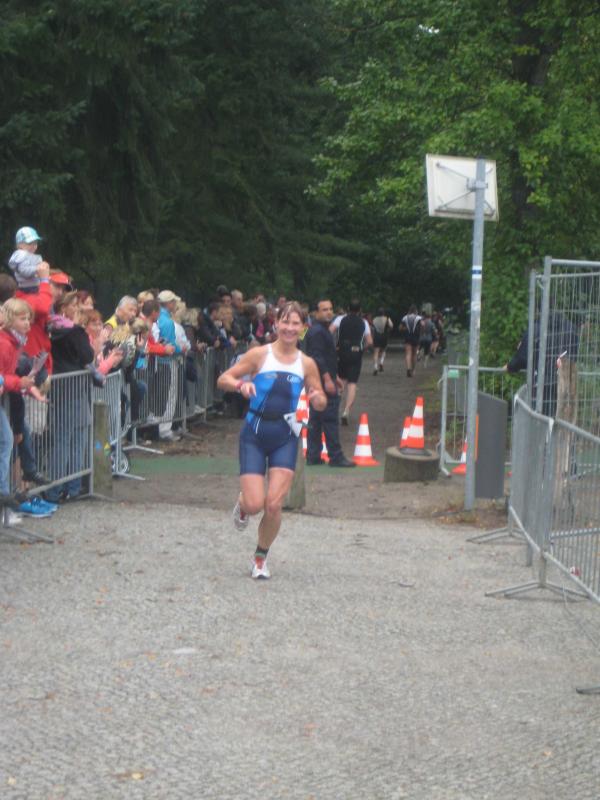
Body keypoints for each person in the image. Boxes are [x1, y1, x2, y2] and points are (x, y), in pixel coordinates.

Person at [217, 301, 326, 579]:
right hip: (254, 433)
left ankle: (260, 559)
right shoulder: (259, 355)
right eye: (285, 322)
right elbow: (223, 379)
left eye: (295, 323)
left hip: (285, 436)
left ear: (303, 328)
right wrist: (241, 385)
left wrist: (317, 399)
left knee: (274, 504)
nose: (289, 328)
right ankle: (243, 505)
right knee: (255, 504)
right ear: (276, 324)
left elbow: (321, 398)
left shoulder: (306, 363)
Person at [304, 298, 355, 467]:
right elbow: (317, 357)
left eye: (330, 309)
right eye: (324, 309)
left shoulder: (320, 330)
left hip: (319, 379)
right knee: (330, 419)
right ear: (316, 313)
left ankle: (313, 455)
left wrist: (335, 376)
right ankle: (335, 456)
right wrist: (327, 379)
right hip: (321, 380)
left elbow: (324, 356)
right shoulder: (318, 332)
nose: (329, 312)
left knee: (316, 419)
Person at [331, 299, 372, 424]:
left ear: (348, 308)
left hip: (342, 352)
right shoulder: (364, 322)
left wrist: (334, 347)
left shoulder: (340, 319)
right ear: (360, 310)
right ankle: (346, 411)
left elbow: (329, 331)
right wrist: (362, 349)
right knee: (352, 383)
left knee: (341, 381)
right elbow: (370, 341)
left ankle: (335, 409)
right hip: (356, 353)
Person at [8, 227, 46, 294]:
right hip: (28, 288)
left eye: (35, 243)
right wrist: (37, 268)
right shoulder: (21, 255)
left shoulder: (28, 255)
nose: (34, 246)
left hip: (33, 285)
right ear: (19, 245)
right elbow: (24, 271)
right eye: (30, 243)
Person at [400, 304, 421, 377]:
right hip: (416, 337)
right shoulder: (419, 318)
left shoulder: (405, 317)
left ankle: (408, 368)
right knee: (414, 354)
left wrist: (405, 328)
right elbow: (423, 325)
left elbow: (400, 328)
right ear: (416, 311)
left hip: (408, 337)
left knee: (408, 353)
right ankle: (413, 370)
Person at [371, 308, 394, 375]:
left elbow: (372, 327)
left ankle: (375, 367)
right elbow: (391, 326)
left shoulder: (374, 319)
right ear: (384, 313)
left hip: (376, 336)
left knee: (376, 352)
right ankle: (381, 362)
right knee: (384, 350)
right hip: (384, 336)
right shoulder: (387, 318)